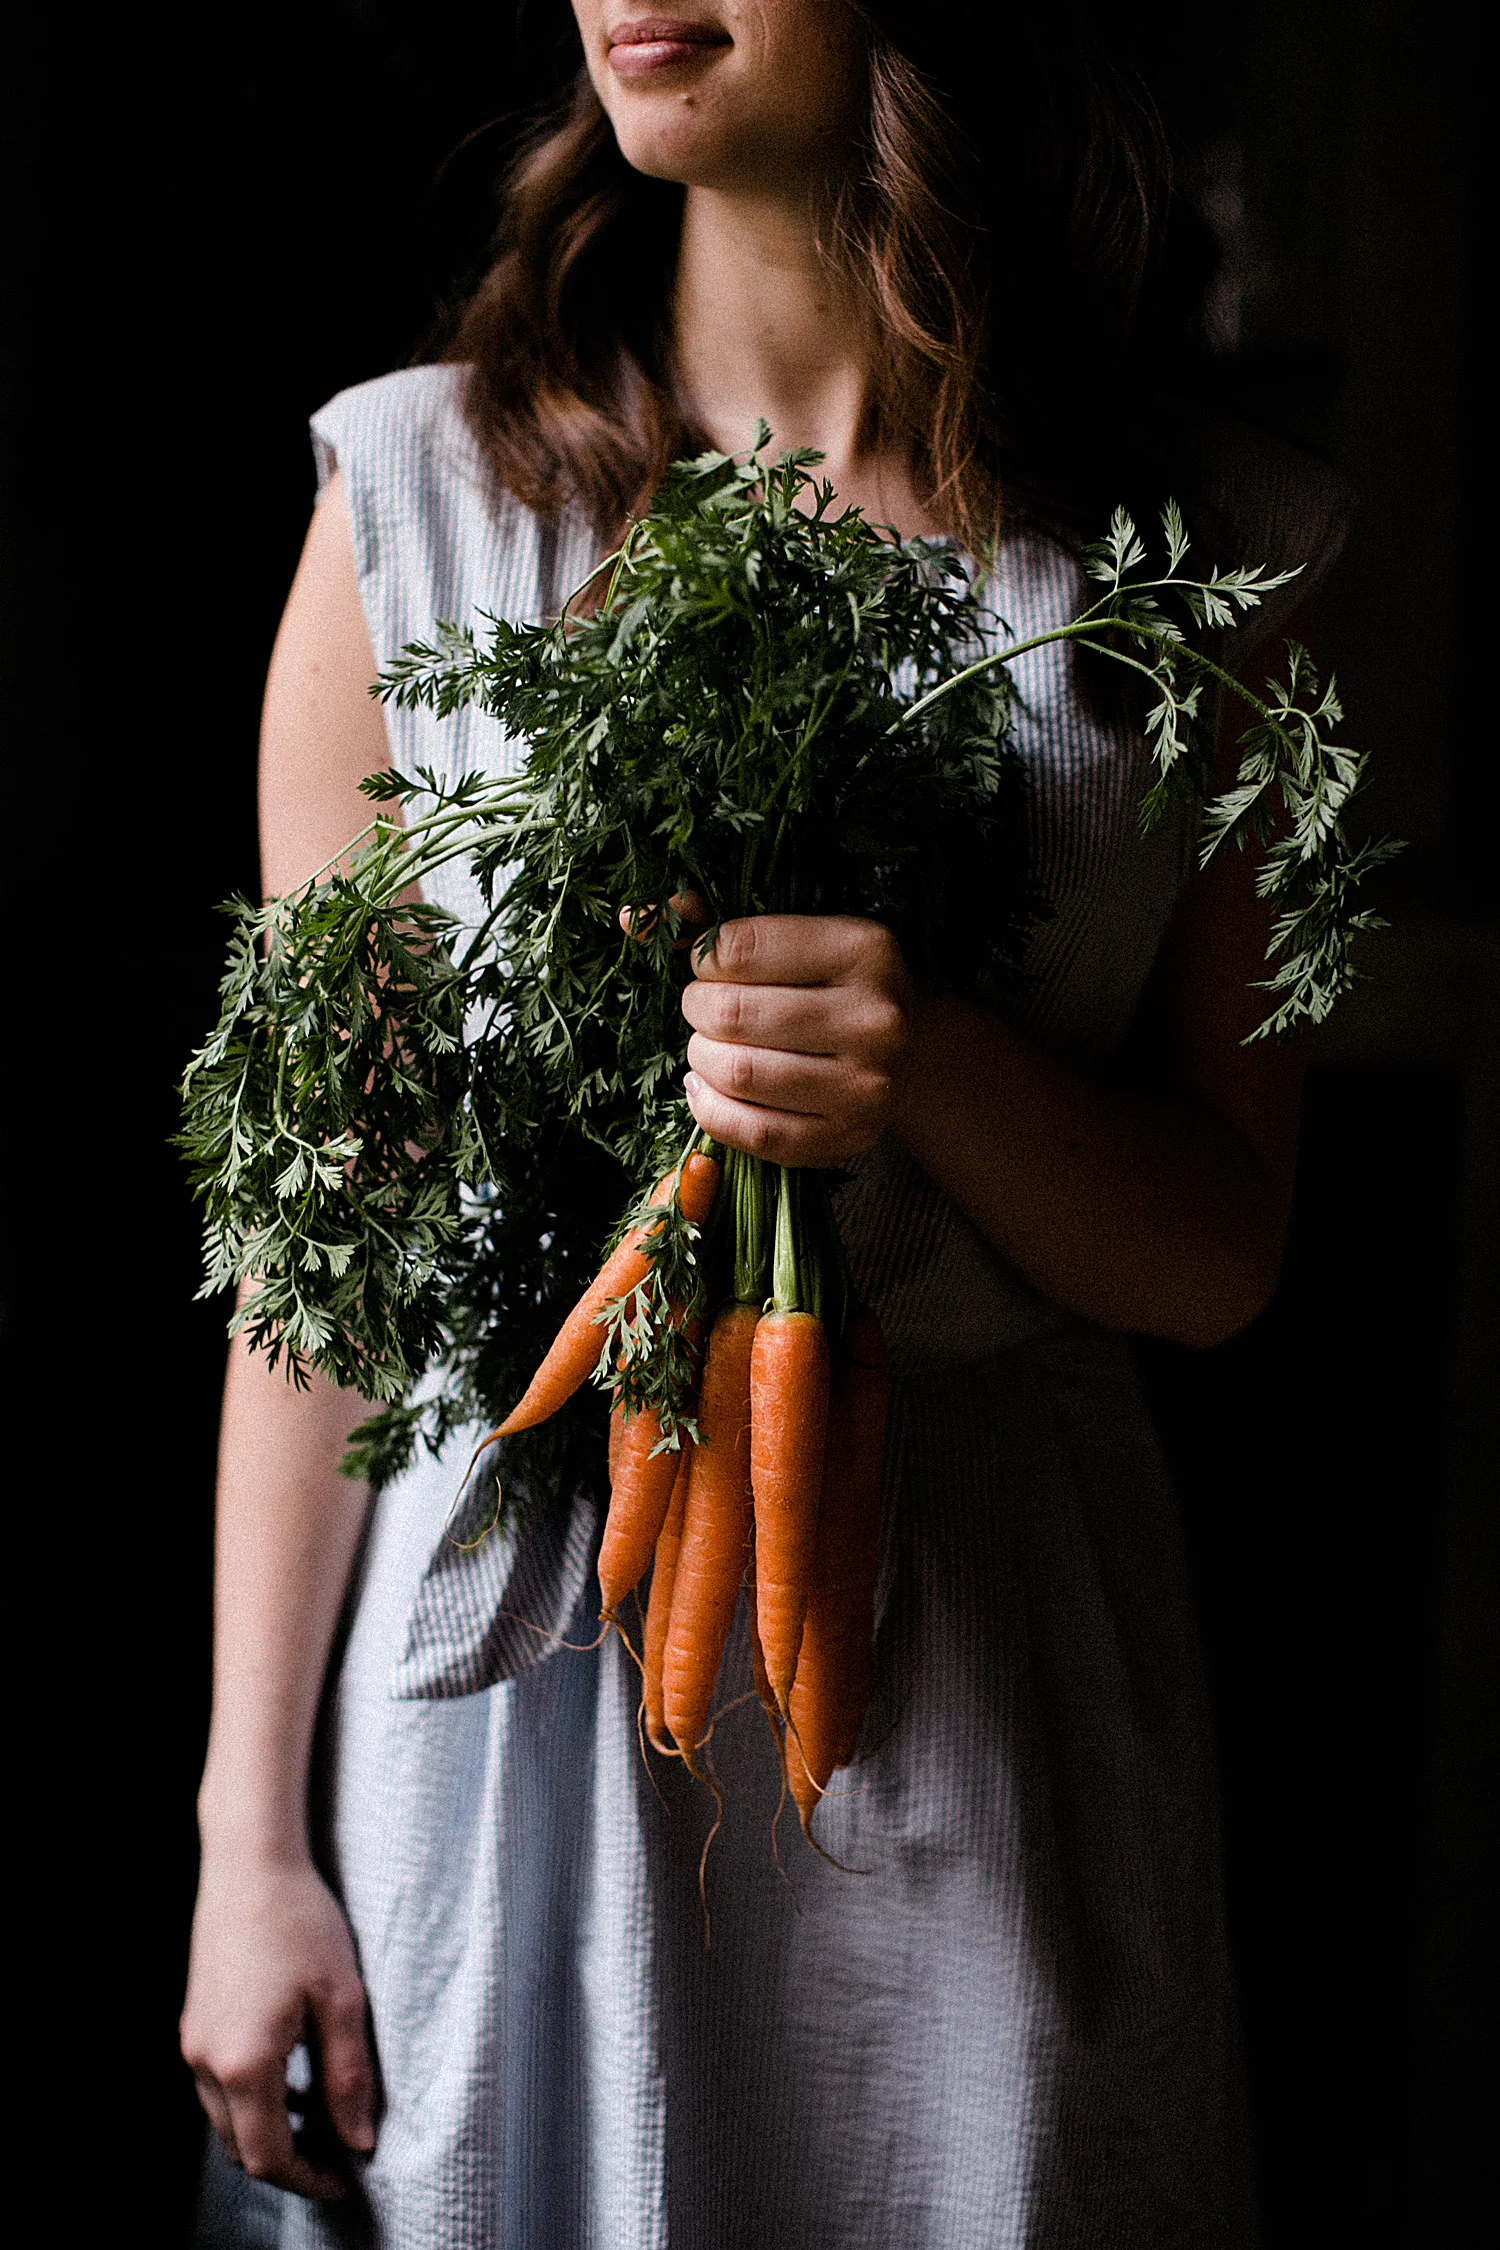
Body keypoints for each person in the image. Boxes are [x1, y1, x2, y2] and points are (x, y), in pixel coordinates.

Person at [181, 5, 1349, 2244]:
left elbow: (1225, 1254)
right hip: (521, 1673)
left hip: (999, 1697)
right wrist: (249, 1840)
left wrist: (942, 1069)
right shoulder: (421, 508)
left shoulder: (1209, 572)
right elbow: (317, 1264)